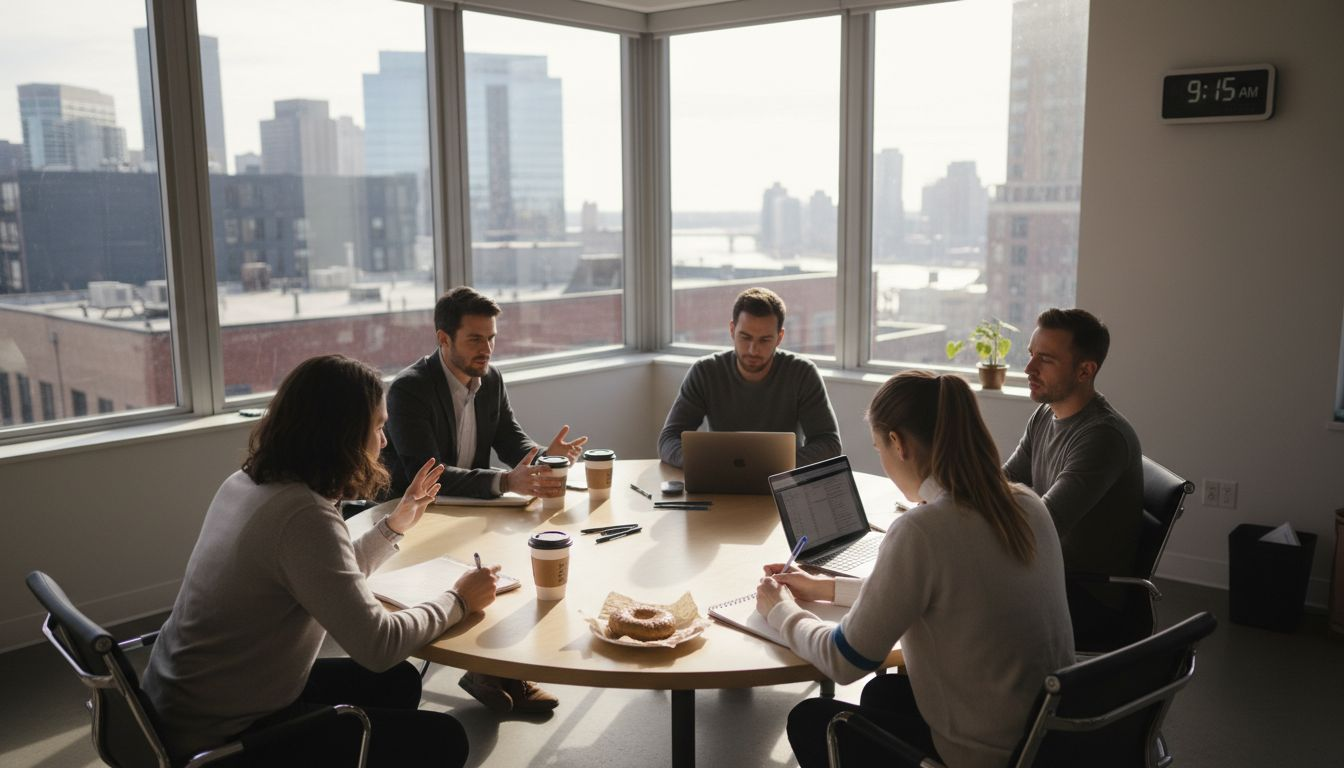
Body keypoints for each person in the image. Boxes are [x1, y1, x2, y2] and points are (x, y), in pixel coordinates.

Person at [142, 354, 497, 767]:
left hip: (186, 700)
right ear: (342, 436)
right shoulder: (302, 515)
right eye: (378, 427)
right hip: (222, 734)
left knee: (396, 682)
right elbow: (378, 645)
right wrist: (458, 600)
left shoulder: (248, 483)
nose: (385, 442)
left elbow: (323, 576)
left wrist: (393, 527)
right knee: (444, 738)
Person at [758, 371, 1074, 768]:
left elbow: (843, 660)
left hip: (985, 757)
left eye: (879, 449)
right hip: (1048, 738)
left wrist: (780, 610)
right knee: (883, 695)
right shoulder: (1026, 504)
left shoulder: (922, 531)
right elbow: (943, 591)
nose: (885, 462)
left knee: (810, 719)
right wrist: (825, 588)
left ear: (898, 443)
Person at [380, 285, 584, 714]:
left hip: (470, 506)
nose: (487, 348)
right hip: (414, 514)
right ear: (443, 339)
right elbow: (427, 472)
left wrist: (544, 458)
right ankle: (494, 671)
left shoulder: (490, 378)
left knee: (520, 557)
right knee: (495, 565)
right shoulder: (409, 390)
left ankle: (495, 669)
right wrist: (507, 481)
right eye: (475, 339)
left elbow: (509, 437)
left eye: (491, 338)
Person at [1002, 308, 1142, 639]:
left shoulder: (1103, 437)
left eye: (1046, 360)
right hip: (1045, 572)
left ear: (1085, 370)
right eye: (1031, 355)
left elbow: (1045, 523)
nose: (1029, 368)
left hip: (1083, 595)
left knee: (955, 599)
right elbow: (1002, 482)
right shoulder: (1043, 415)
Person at [657, 286, 841, 467]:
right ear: (732, 330)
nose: (753, 350)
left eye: (764, 340)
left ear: (780, 337)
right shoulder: (705, 372)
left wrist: (774, 467)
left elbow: (829, 444)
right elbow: (669, 439)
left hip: (781, 482)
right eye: (745, 337)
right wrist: (708, 464)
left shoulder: (802, 373)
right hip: (720, 479)